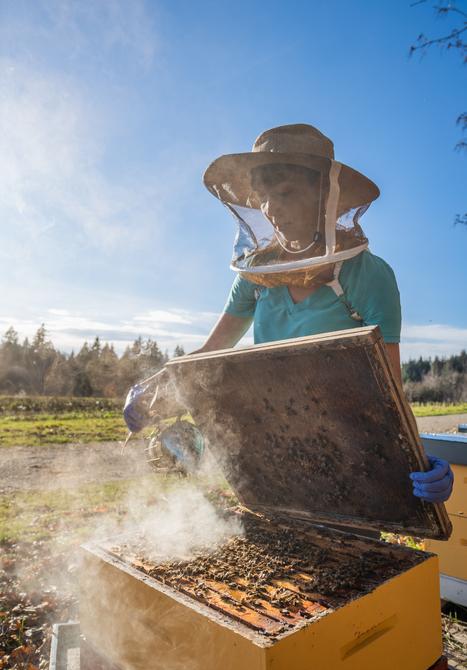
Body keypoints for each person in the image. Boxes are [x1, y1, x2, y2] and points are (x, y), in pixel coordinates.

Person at [124, 123, 453, 504]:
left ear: (323, 196)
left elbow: (390, 391)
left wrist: (417, 459)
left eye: (286, 193)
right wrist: (159, 385)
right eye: (263, 197)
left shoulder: (367, 276)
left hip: (350, 453)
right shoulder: (257, 275)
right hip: (274, 446)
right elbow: (210, 355)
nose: (271, 210)